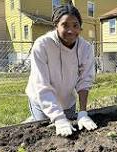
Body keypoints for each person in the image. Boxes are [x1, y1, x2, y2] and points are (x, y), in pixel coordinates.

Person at [24, 4, 97, 136]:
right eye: (65, 25)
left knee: (69, 133)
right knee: (44, 133)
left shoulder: (85, 48)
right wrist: (58, 118)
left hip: (67, 102)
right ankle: (28, 123)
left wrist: (83, 112)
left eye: (75, 25)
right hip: (41, 101)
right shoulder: (42, 45)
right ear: (56, 25)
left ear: (80, 27)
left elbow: (85, 80)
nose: (71, 30)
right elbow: (42, 85)